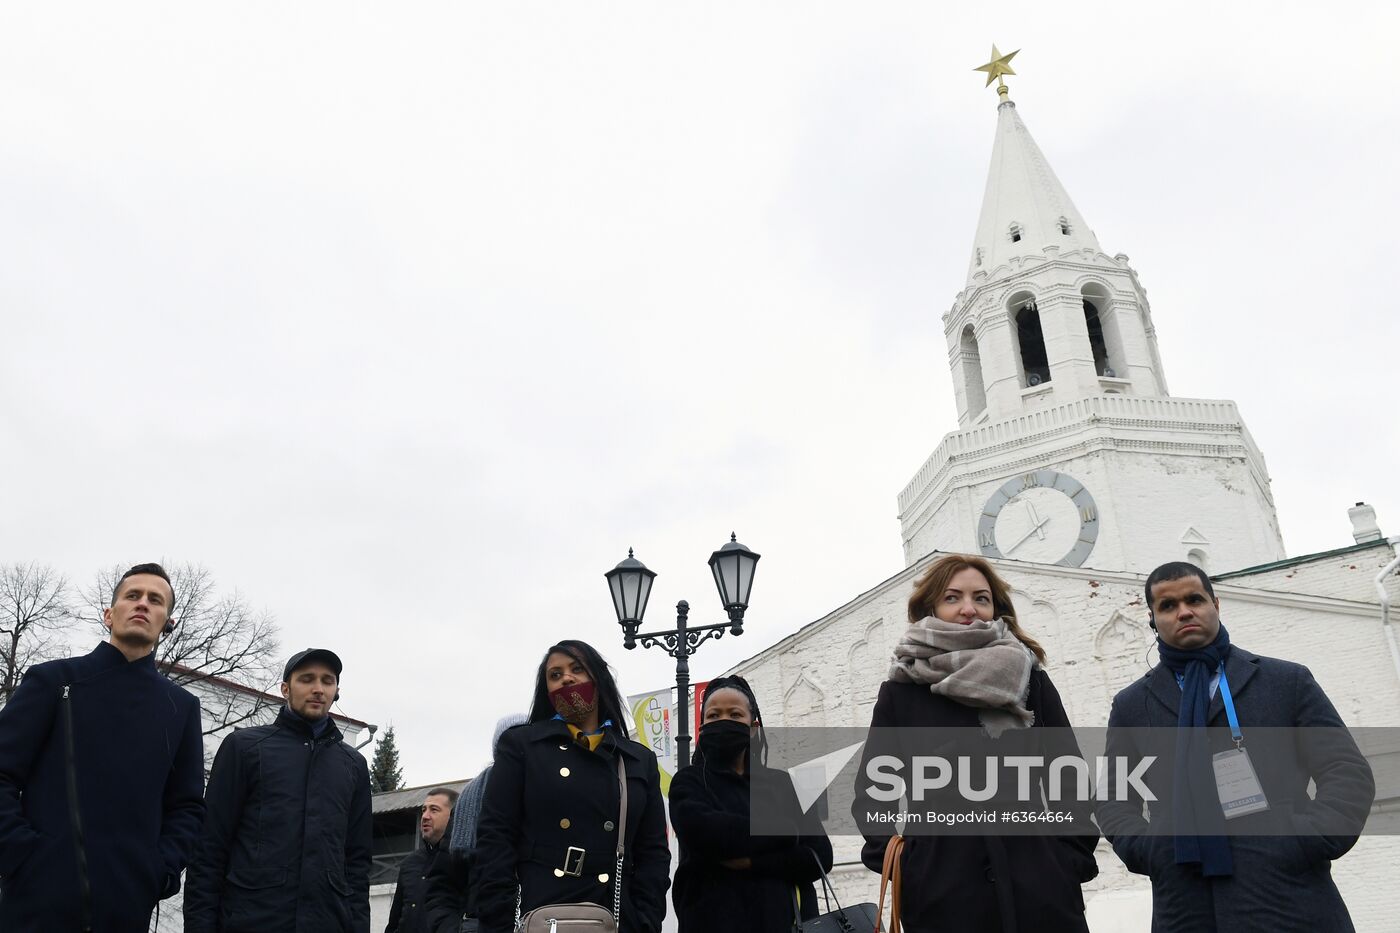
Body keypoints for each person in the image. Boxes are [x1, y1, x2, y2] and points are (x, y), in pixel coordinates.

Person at [1097, 561, 1375, 932]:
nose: (1184, 612)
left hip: (1290, 897)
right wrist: (1152, 851)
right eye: (1168, 606)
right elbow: (1114, 797)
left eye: (1194, 599)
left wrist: (1305, 839)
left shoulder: (1285, 681)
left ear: (1216, 604)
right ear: (1153, 619)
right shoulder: (1132, 705)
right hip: (1187, 905)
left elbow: (1345, 770)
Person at [854, 553, 1098, 933]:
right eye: (953, 597)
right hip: (943, 896)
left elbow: (1069, 776)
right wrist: (909, 864)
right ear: (930, 606)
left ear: (996, 608)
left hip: (1041, 889)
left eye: (981, 598)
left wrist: (1067, 858)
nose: (968, 609)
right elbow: (873, 794)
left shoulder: (1030, 681)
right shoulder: (901, 692)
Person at [0, 562, 205, 933]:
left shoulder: (181, 707)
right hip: (35, 904)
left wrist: (160, 871)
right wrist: (21, 854)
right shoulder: (52, 680)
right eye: (132, 596)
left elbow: (187, 806)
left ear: (167, 622)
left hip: (126, 907)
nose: (142, 603)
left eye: (155, 600)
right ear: (109, 614)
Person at [473, 640, 671, 933]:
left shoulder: (637, 760)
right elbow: (495, 839)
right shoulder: (522, 746)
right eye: (555, 674)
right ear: (547, 691)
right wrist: (499, 921)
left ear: (598, 678)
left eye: (577, 669)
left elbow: (653, 852)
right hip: (538, 911)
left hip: (615, 916)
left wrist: (645, 919)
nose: (566, 677)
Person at [183, 647, 373, 933]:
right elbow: (210, 849)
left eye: (327, 681)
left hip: (326, 922)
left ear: (336, 691)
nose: (318, 689)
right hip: (252, 920)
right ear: (286, 688)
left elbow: (357, 864)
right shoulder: (245, 748)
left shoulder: (353, 765)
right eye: (306, 679)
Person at [669, 676, 834, 932]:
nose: (724, 721)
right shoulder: (688, 782)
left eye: (735, 715)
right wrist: (788, 831)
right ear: (701, 727)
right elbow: (704, 833)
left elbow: (820, 856)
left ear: (753, 727)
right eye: (713, 716)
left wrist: (752, 862)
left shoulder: (784, 784)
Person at [425, 714, 529, 933]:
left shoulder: (555, 799)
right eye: (509, 742)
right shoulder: (469, 801)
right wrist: (454, 928)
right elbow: (442, 886)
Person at [385, 786, 459, 933]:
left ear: (453, 815)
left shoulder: (462, 861)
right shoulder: (409, 863)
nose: (425, 816)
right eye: (424, 809)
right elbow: (394, 921)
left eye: (434, 810)